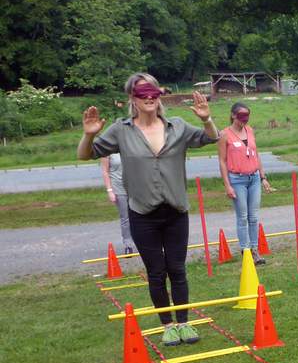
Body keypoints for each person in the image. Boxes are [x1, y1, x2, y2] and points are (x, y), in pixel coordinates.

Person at [78, 73, 220, 347]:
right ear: (133, 98)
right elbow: (86, 154)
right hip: (142, 213)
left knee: (177, 269)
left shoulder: (176, 126)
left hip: (175, 210)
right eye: (143, 94)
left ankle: (184, 323)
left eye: (154, 93)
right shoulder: (122, 130)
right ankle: (167, 325)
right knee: (156, 271)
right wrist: (88, 135)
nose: (150, 99)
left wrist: (206, 118)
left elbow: (210, 138)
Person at [218, 102, 275, 265]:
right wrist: (227, 185)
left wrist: (263, 177)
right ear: (233, 115)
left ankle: (255, 250)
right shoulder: (224, 135)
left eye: (247, 116)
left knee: (253, 216)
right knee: (242, 216)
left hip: (254, 178)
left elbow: (256, 154)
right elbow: (222, 161)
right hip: (237, 179)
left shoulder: (249, 131)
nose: (245, 120)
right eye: (241, 116)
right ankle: (246, 250)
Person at [100, 153, 135, 254]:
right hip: (118, 188)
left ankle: (144, 242)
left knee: (140, 215)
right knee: (126, 218)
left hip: (135, 188)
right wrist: (110, 190)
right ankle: (128, 245)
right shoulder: (107, 151)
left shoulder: (129, 144)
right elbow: (105, 172)